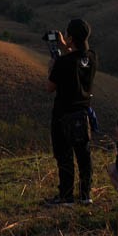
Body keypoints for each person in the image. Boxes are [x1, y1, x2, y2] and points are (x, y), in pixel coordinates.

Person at [45, 18, 98, 205]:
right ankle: (86, 194)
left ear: (70, 38)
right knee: (84, 155)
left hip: (63, 114)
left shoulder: (62, 62)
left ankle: (66, 195)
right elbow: (77, 58)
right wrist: (66, 46)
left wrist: (52, 65)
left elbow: (50, 87)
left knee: (64, 155)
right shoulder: (92, 57)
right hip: (83, 113)